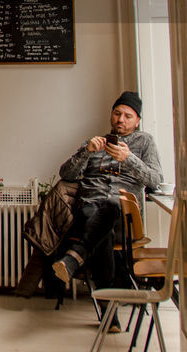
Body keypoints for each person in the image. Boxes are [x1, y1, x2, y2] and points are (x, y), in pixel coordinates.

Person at [52, 91, 163, 289]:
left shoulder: (145, 142)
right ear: (111, 115)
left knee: (112, 205)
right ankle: (110, 303)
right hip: (90, 209)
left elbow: (156, 181)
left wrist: (128, 159)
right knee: (100, 221)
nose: (120, 119)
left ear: (137, 121)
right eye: (117, 114)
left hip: (125, 219)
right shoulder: (95, 142)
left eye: (128, 116)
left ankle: (74, 258)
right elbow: (66, 174)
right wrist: (87, 152)